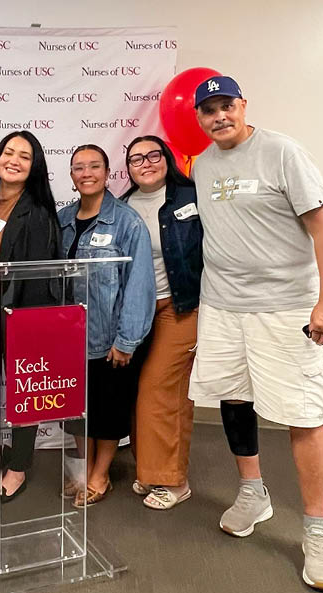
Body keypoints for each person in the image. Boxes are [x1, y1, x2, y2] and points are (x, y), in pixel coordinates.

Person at [188, 76, 323, 591]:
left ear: (242, 105)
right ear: (198, 117)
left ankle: (316, 531)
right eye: (208, 109)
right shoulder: (202, 165)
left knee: (305, 413)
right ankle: (253, 492)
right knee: (234, 398)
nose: (219, 116)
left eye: (226, 105)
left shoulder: (282, 152)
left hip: (285, 308)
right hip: (223, 307)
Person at [0, 130, 62, 502]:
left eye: (24, 155)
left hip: (20, 313)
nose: (14, 160)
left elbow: (35, 276)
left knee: (24, 388)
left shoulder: (36, 212)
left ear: (34, 166)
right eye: (9, 152)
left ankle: (17, 466)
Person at [58, 144, 156, 508]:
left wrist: (127, 340)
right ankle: (84, 470)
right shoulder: (62, 220)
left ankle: (100, 475)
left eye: (94, 166)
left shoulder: (128, 223)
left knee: (108, 410)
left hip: (109, 337)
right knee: (76, 409)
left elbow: (139, 284)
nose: (86, 173)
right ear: (71, 176)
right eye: (79, 167)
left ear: (107, 173)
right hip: (69, 338)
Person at [120, 135, 203, 510]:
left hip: (181, 308)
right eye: (136, 159)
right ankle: (151, 470)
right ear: (128, 168)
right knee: (141, 391)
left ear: (167, 158)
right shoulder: (122, 206)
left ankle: (174, 481)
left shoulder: (191, 198)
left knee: (161, 389)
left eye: (154, 155)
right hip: (137, 312)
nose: (146, 163)